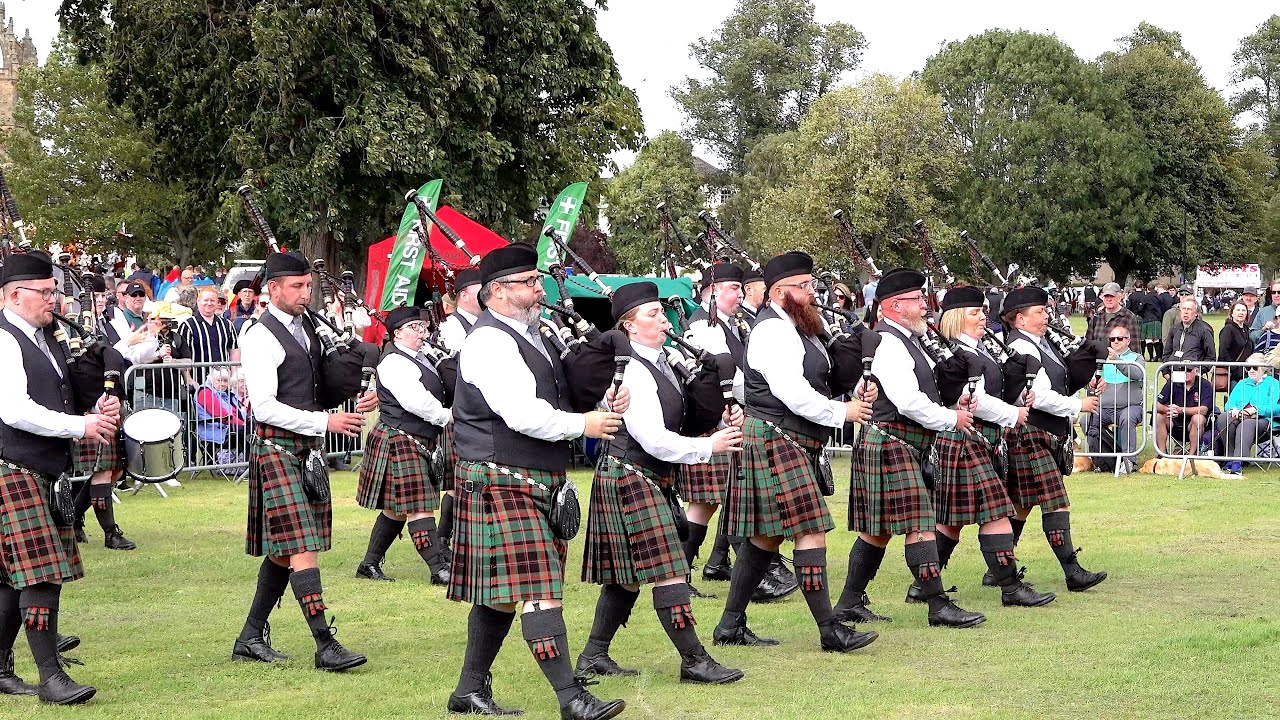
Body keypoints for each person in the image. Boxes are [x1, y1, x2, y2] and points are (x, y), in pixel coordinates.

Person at [445, 244, 628, 718]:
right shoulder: (489, 341)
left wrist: (601, 404)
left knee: (505, 596)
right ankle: (571, 699)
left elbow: (554, 395)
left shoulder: (532, 334)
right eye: (528, 282)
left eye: (536, 280)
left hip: (529, 475)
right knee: (539, 586)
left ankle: (468, 692)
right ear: (497, 292)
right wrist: (583, 425)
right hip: (498, 475)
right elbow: (521, 413)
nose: (538, 288)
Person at [576, 281, 745, 684]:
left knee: (627, 575)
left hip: (646, 475)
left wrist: (720, 422)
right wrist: (711, 447)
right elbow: (652, 438)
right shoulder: (630, 369)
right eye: (651, 313)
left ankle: (593, 655)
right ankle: (694, 659)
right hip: (630, 473)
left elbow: (678, 419)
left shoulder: (663, 360)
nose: (663, 319)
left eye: (661, 311)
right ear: (629, 326)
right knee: (669, 569)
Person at [714, 251, 880, 652]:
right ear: (779, 292)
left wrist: (855, 391)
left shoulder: (801, 329)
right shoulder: (772, 331)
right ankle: (829, 630)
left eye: (811, 284)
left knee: (764, 539)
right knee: (810, 530)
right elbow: (792, 393)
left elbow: (817, 380)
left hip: (786, 439)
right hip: (774, 436)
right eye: (803, 286)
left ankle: (729, 625)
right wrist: (844, 412)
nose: (811, 292)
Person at [231, 251, 376, 671]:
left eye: (308, 286)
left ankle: (249, 636)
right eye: (297, 286)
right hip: (277, 448)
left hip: (305, 452)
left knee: (283, 552)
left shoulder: (307, 327)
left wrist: (353, 395)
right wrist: (325, 420)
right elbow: (265, 407)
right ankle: (325, 643)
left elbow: (315, 386)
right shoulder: (260, 336)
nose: (305, 293)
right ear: (272, 289)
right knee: (302, 546)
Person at [836, 268, 986, 629]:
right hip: (891, 441)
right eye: (917, 300)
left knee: (878, 531)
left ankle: (847, 605)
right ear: (895, 306)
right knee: (919, 524)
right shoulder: (887, 341)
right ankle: (937, 605)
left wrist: (955, 401)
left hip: (899, 442)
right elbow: (907, 401)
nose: (924, 305)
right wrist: (951, 420)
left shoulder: (909, 339)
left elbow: (924, 390)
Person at [0, 252, 118, 704]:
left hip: (41, 468)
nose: (56, 299)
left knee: (11, 578)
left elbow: (52, 398)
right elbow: (14, 409)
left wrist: (91, 413)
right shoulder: (6, 338)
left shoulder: (44, 336)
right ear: (16, 295)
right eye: (47, 292)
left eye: (55, 291)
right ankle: (51, 677)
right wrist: (80, 427)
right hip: (15, 467)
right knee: (41, 575)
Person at [907, 287, 1055, 608]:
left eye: (983, 311)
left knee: (951, 521)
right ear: (957, 318)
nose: (983, 316)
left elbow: (996, 388)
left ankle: (922, 586)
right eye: (975, 312)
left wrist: (1020, 396)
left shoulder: (981, 348)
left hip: (980, 438)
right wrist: (1012, 414)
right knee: (996, 511)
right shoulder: (953, 355)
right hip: (964, 437)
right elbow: (975, 400)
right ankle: (1010, 587)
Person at [1000, 286, 1108, 592]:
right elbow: (1039, 397)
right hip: (1030, 432)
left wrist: (1085, 382)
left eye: (1045, 310)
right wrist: (1079, 405)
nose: (1046, 315)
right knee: (1055, 502)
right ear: (1019, 319)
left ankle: (999, 569)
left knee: (1022, 504)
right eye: (1039, 312)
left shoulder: (1041, 342)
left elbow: (1058, 380)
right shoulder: (1021, 348)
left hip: (1043, 432)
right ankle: (1073, 572)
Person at [354, 307, 452, 585]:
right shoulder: (395, 362)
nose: (422, 334)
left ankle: (368, 564)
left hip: (414, 439)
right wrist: (448, 416)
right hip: (400, 438)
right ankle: (438, 569)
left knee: (395, 510)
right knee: (419, 506)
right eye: (415, 328)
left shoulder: (420, 357)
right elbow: (416, 402)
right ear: (398, 333)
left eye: (423, 328)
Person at [69, 276, 137, 551]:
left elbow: (113, 357)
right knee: (100, 474)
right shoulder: (59, 341)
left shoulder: (104, 331)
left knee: (106, 472)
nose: (95, 304)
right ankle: (110, 533)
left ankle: (72, 520)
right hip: (83, 414)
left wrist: (111, 392)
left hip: (103, 410)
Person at [434, 267, 483, 558]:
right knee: (457, 482)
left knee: (464, 482)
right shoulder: (452, 326)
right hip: (462, 410)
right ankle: (443, 540)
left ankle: (453, 540)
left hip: (478, 411)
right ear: (464, 295)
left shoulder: (485, 323)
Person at [1082, 326, 1144, 474]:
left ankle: (1129, 460)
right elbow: (1089, 378)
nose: (1115, 342)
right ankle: (1107, 459)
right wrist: (1091, 382)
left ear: (1128, 340)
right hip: (1104, 408)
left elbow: (1136, 373)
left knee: (1127, 418)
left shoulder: (1137, 358)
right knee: (1086, 421)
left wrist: (1117, 360)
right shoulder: (1102, 358)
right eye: (1112, 339)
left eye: (1119, 338)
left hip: (1130, 406)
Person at [1214, 355, 1279, 475]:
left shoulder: (1273, 383)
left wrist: (1256, 410)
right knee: (1224, 417)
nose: (1251, 371)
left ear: (1264, 368)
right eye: (1248, 368)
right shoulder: (1242, 383)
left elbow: (1276, 406)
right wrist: (1234, 409)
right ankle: (1229, 457)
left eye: (1255, 367)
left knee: (1247, 424)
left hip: (1262, 419)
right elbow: (1229, 403)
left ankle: (1238, 460)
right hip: (1240, 416)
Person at [178, 286, 240, 385]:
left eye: (213, 300)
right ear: (198, 301)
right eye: (206, 300)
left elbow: (234, 350)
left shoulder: (227, 325)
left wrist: (234, 375)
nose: (209, 303)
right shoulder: (187, 326)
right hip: (198, 383)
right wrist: (189, 380)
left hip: (223, 384)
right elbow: (182, 355)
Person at [1154, 366, 1214, 455]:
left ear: (1196, 371)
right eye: (1182, 370)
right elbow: (1157, 405)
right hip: (1173, 422)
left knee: (1198, 418)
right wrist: (1168, 409)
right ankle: (1162, 455)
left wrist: (1181, 410)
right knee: (1159, 416)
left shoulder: (1205, 384)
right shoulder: (1173, 381)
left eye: (1188, 370)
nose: (1185, 372)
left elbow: (1204, 410)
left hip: (1193, 424)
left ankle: (1192, 456)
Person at [194, 368, 248, 464]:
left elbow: (236, 414)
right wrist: (243, 424)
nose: (222, 383)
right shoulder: (205, 392)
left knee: (251, 429)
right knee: (247, 431)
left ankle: (250, 463)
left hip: (227, 428)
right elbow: (221, 414)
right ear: (211, 380)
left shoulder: (226, 395)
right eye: (219, 380)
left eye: (225, 381)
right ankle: (249, 464)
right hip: (214, 431)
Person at [1085, 282, 1141, 348]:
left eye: (1112, 296)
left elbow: (1135, 347)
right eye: (1106, 296)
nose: (1109, 299)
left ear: (1119, 297)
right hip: (1097, 357)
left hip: (1119, 358)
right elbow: (1088, 343)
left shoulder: (1129, 317)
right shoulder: (1096, 316)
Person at [1163, 297, 1215, 364]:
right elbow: (1166, 353)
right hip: (1173, 371)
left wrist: (1199, 370)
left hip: (1193, 371)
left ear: (1196, 313)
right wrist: (1166, 372)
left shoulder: (1204, 330)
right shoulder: (1174, 329)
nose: (1186, 312)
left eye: (1189, 309)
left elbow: (1210, 357)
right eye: (1184, 309)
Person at [1218, 301, 1253, 388]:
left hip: (1247, 375)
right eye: (1238, 310)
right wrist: (1236, 369)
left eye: (1243, 310)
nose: (1241, 312)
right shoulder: (1228, 330)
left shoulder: (1247, 330)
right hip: (1233, 377)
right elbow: (1223, 352)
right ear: (1232, 313)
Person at [1250, 281, 1280, 345]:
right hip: (1267, 353)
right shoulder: (1263, 312)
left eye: (1279, 292)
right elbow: (1252, 336)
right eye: (1273, 292)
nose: (1276, 295)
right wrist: (1264, 330)